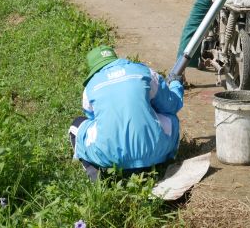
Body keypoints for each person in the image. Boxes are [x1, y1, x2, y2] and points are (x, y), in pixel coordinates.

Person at [69, 45, 184, 181]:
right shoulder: (144, 72)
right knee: (171, 117)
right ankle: (164, 160)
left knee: (77, 125)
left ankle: (92, 171)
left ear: (94, 69)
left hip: (110, 158)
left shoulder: (89, 88)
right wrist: (175, 83)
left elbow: (93, 119)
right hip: (155, 153)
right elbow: (172, 105)